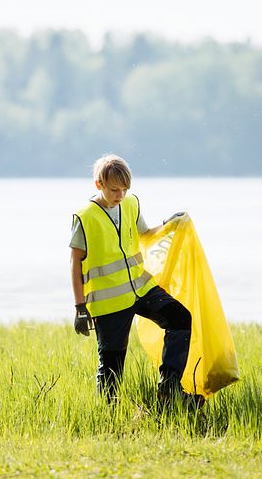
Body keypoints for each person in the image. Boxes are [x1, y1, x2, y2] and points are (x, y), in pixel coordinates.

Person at [70, 154, 195, 405]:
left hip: (141, 288)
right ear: (99, 185)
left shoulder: (130, 204)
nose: (120, 195)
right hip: (110, 302)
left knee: (181, 319)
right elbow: (75, 264)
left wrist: (169, 225)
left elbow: (146, 234)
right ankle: (106, 417)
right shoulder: (85, 217)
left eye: (125, 189)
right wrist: (80, 308)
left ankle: (169, 390)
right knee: (111, 366)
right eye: (114, 189)